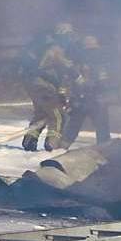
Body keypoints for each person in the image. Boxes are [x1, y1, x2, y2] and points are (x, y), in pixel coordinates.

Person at [18, 23, 81, 152]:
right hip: (43, 85)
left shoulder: (43, 46)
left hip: (34, 83)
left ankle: (29, 141)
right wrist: (79, 77)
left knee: (42, 114)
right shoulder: (55, 49)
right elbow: (66, 67)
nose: (70, 40)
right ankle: (52, 144)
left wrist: (62, 92)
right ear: (64, 36)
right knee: (58, 116)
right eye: (69, 36)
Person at [60, 35, 113, 148]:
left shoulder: (79, 58)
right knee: (101, 126)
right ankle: (104, 148)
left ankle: (62, 147)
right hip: (93, 98)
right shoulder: (102, 58)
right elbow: (105, 80)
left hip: (84, 98)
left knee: (74, 125)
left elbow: (69, 77)